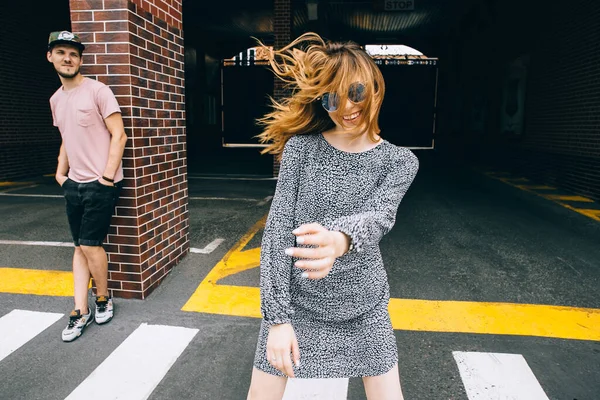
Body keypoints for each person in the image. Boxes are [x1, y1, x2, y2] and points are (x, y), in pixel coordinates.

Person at [247, 32, 419, 399]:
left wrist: (339, 240)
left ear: (373, 87)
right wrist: (277, 319)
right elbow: (278, 232)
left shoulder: (400, 161)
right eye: (331, 99)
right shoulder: (301, 150)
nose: (345, 107)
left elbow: (380, 217)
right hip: (298, 303)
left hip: (364, 306)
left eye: (355, 92)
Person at [47, 31, 127, 342]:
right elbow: (66, 137)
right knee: (80, 246)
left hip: (101, 183)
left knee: (90, 244)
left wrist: (106, 178)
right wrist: (60, 173)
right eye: (61, 52)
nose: (67, 58)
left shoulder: (98, 91)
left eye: (73, 53)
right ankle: (80, 309)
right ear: (50, 56)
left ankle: (103, 298)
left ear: (80, 59)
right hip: (73, 184)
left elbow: (119, 135)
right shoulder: (56, 99)